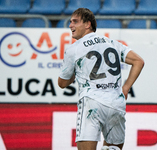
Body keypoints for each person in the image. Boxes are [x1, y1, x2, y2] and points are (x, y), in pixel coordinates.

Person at [58, 8, 144, 150]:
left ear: (88, 24)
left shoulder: (74, 49)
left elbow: (62, 83)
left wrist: (75, 70)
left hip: (92, 103)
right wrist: (126, 87)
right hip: (116, 103)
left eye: (75, 21)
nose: (70, 25)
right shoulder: (112, 43)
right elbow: (139, 61)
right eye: (70, 22)